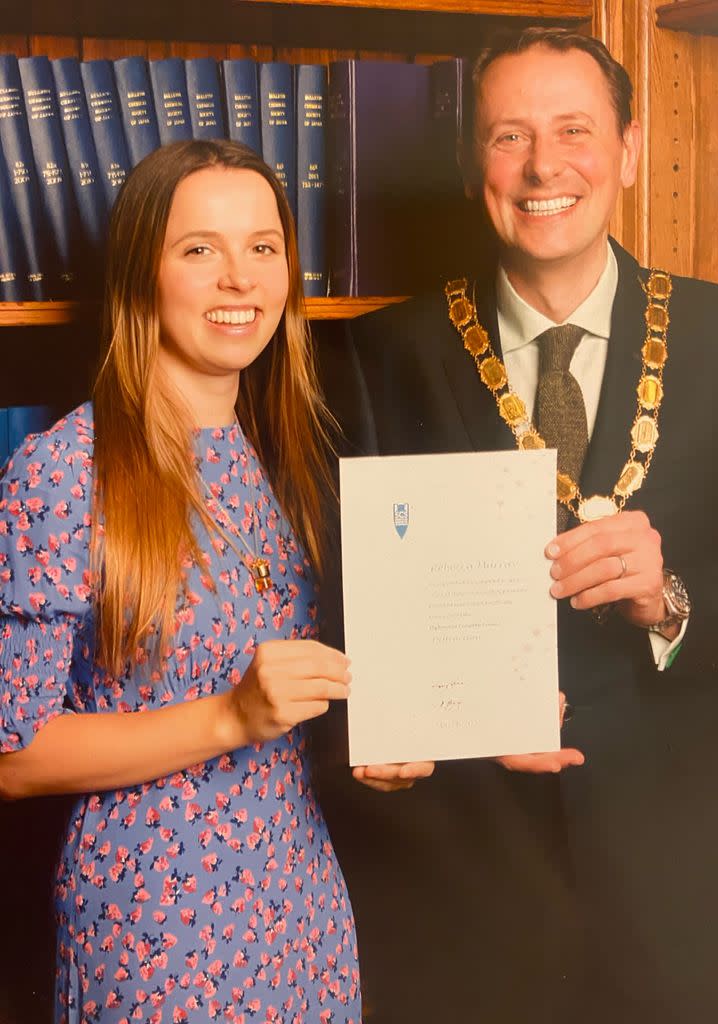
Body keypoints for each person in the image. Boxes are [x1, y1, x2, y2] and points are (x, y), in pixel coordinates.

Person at [316, 28, 718, 1024]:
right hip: (456, 873)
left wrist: (671, 599)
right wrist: (384, 725)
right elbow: (338, 613)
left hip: (676, 878)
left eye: (573, 129)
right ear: (473, 160)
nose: (543, 166)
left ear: (631, 150)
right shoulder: (379, 352)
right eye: (509, 135)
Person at [0, 138, 428, 1023]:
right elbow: (13, 755)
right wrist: (229, 717)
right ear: (140, 275)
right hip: (158, 921)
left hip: (300, 897)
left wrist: (368, 743)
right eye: (201, 249)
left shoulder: (273, 453)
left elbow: (283, 699)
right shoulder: (63, 472)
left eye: (263, 248)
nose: (240, 279)